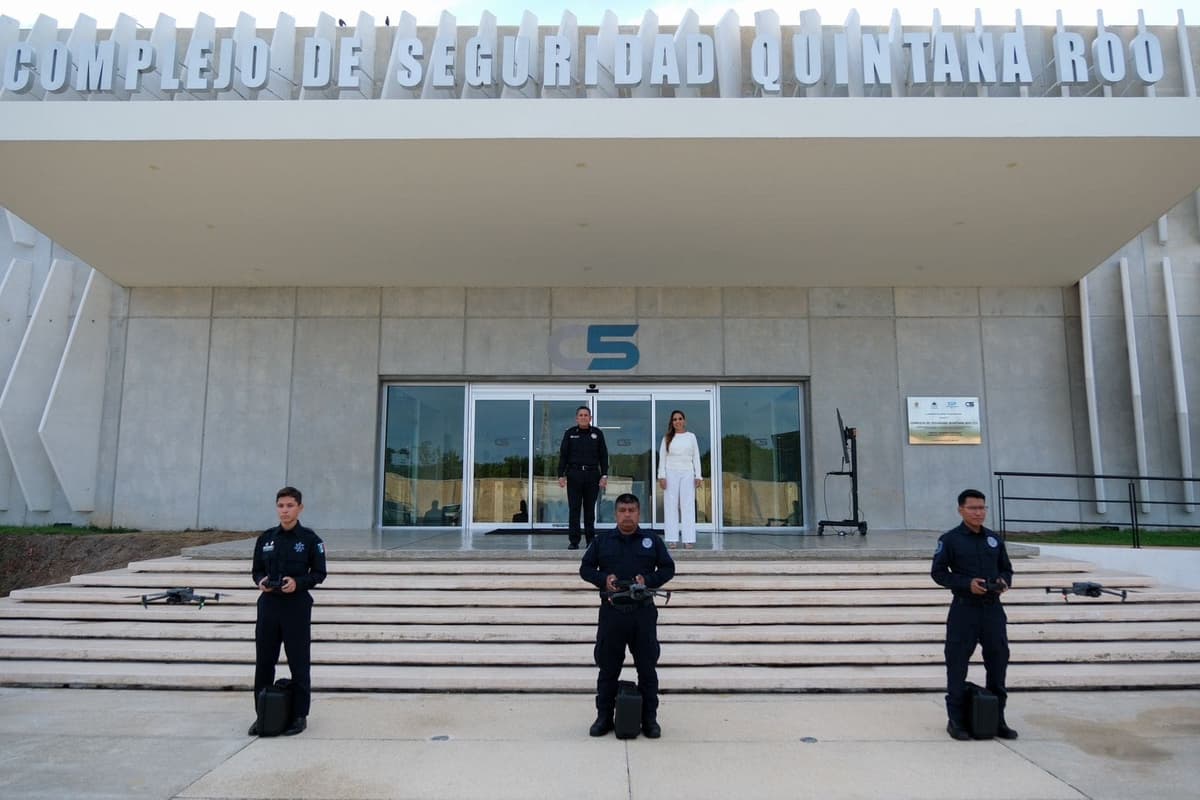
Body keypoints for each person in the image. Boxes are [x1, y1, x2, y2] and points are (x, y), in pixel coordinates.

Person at [579, 493, 675, 738]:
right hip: (612, 613)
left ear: (639, 513)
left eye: (632, 510)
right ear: (615, 514)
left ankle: (649, 720)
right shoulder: (603, 541)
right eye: (622, 510)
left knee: (647, 669)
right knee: (608, 669)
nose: (627, 514)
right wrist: (604, 579)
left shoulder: (652, 540)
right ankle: (603, 718)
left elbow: (668, 567)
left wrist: (648, 580)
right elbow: (585, 568)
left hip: (642, 613)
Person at [931, 489, 1018, 741]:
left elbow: (1007, 568)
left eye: (982, 508)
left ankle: (997, 719)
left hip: (992, 610)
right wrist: (966, 583)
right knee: (957, 664)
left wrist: (1003, 580)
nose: (979, 512)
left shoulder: (994, 539)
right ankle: (956, 720)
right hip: (964, 609)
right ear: (961, 510)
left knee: (998, 662)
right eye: (973, 508)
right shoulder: (950, 540)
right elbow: (938, 573)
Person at [249, 486, 327, 737]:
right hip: (269, 606)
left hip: (296, 607)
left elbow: (319, 573)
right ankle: (263, 714)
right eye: (281, 506)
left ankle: (298, 715)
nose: (285, 511)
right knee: (264, 662)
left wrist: (298, 583)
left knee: (299, 663)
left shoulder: (310, 540)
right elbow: (256, 570)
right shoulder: (266, 539)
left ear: (300, 508)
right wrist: (261, 581)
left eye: (290, 506)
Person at [557, 406, 609, 550]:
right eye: (581, 415)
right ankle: (574, 541)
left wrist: (604, 475)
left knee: (589, 510)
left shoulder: (597, 434)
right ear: (576, 418)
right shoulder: (570, 433)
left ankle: (590, 540)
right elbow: (563, 456)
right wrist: (560, 475)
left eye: (586, 415)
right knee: (574, 508)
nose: (583, 417)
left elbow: (603, 456)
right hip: (574, 475)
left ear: (590, 418)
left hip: (592, 475)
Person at [657, 410, 703, 549]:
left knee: (687, 505)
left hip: (687, 473)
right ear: (672, 422)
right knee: (671, 505)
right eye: (675, 419)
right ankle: (672, 538)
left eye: (680, 418)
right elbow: (662, 458)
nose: (677, 421)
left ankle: (689, 539)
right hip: (671, 473)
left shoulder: (691, 437)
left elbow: (696, 457)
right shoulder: (667, 438)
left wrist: (698, 475)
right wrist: (662, 476)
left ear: (684, 421)